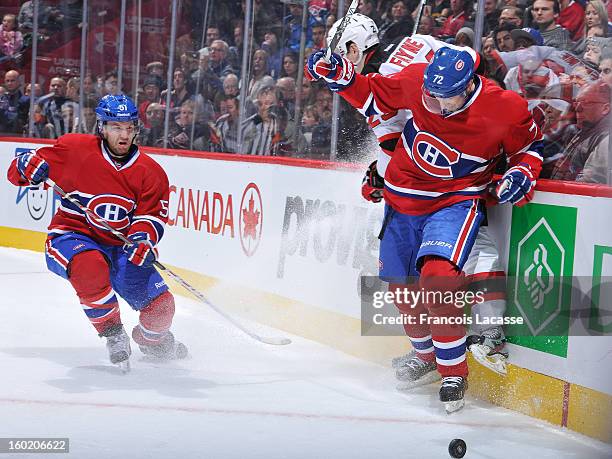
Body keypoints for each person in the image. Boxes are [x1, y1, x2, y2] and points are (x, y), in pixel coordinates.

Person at [307, 24, 543, 412]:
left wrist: (523, 171)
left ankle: (454, 372)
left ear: (468, 86)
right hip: (402, 200)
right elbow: (374, 96)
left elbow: (531, 146)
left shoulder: (504, 108)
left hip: (454, 202)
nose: (433, 103)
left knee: (439, 280)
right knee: (402, 291)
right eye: (429, 94)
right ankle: (427, 357)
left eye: (444, 97)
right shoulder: (419, 79)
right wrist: (340, 75)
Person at [6, 94, 188, 370]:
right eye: (116, 127)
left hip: (120, 248)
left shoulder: (151, 173)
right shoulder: (74, 149)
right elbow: (18, 172)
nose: (124, 134)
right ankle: (113, 332)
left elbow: (150, 217)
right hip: (72, 236)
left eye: (129, 127)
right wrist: (25, 166)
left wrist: (142, 239)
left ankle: (153, 341)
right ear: (101, 127)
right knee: (90, 267)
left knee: (162, 307)